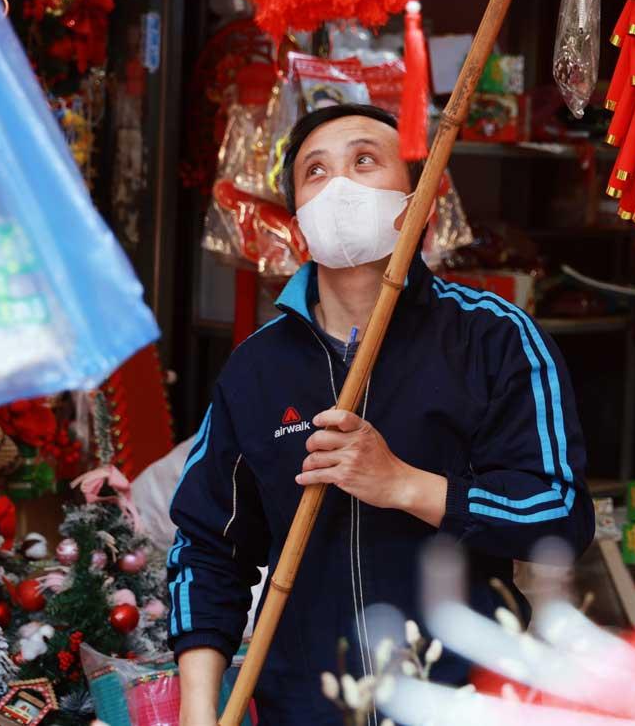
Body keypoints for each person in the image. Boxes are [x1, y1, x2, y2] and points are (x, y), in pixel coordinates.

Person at [168, 104, 594, 725]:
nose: (339, 185)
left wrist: (403, 484)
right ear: (298, 224)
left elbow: (560, 514)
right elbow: (207, 548)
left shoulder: (493, 338)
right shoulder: (256, 369)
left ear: (416, 197)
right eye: (316, 172)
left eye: (365, 161)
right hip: (305, 709)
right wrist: (200, 709)